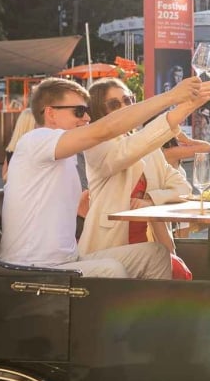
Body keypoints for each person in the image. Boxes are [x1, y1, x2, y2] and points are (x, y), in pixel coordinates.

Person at [0, 75, 210, 278]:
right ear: (50, 113)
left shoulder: (64, 156)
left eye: (86, 111)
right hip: (32, 266)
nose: (86, 117)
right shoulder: (36, 140)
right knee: (111, 270)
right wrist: (172, 97)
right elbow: (105, 132)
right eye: (78, 111)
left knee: (157, 255)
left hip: (65, 261)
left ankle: (153, 319)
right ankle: (120, 321)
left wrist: (188, 106)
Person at [77, 79, 196, 267]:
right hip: (110, 247)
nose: (125, 107)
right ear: (100, 111)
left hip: (151, 242)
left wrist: (151, 199)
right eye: (115, 104)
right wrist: (180, 110)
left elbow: (183, 188)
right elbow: (126, 151)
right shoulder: (96, 147)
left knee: (178, 271)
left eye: (128, 100)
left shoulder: (148, 148)